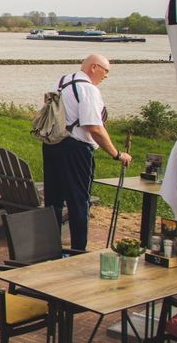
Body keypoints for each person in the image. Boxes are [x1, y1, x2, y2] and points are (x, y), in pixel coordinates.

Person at [42, 54, 132, 251]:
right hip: (75, 149)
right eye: (105, 71)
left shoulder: (61, 82)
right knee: (79, 201)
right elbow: (94, 127)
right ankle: (78, 250)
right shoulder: (88, 90)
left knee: (53, 201)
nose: (106, 76)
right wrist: (116, 154)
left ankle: (50, 248)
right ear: (93, 67)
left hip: (52, 144)